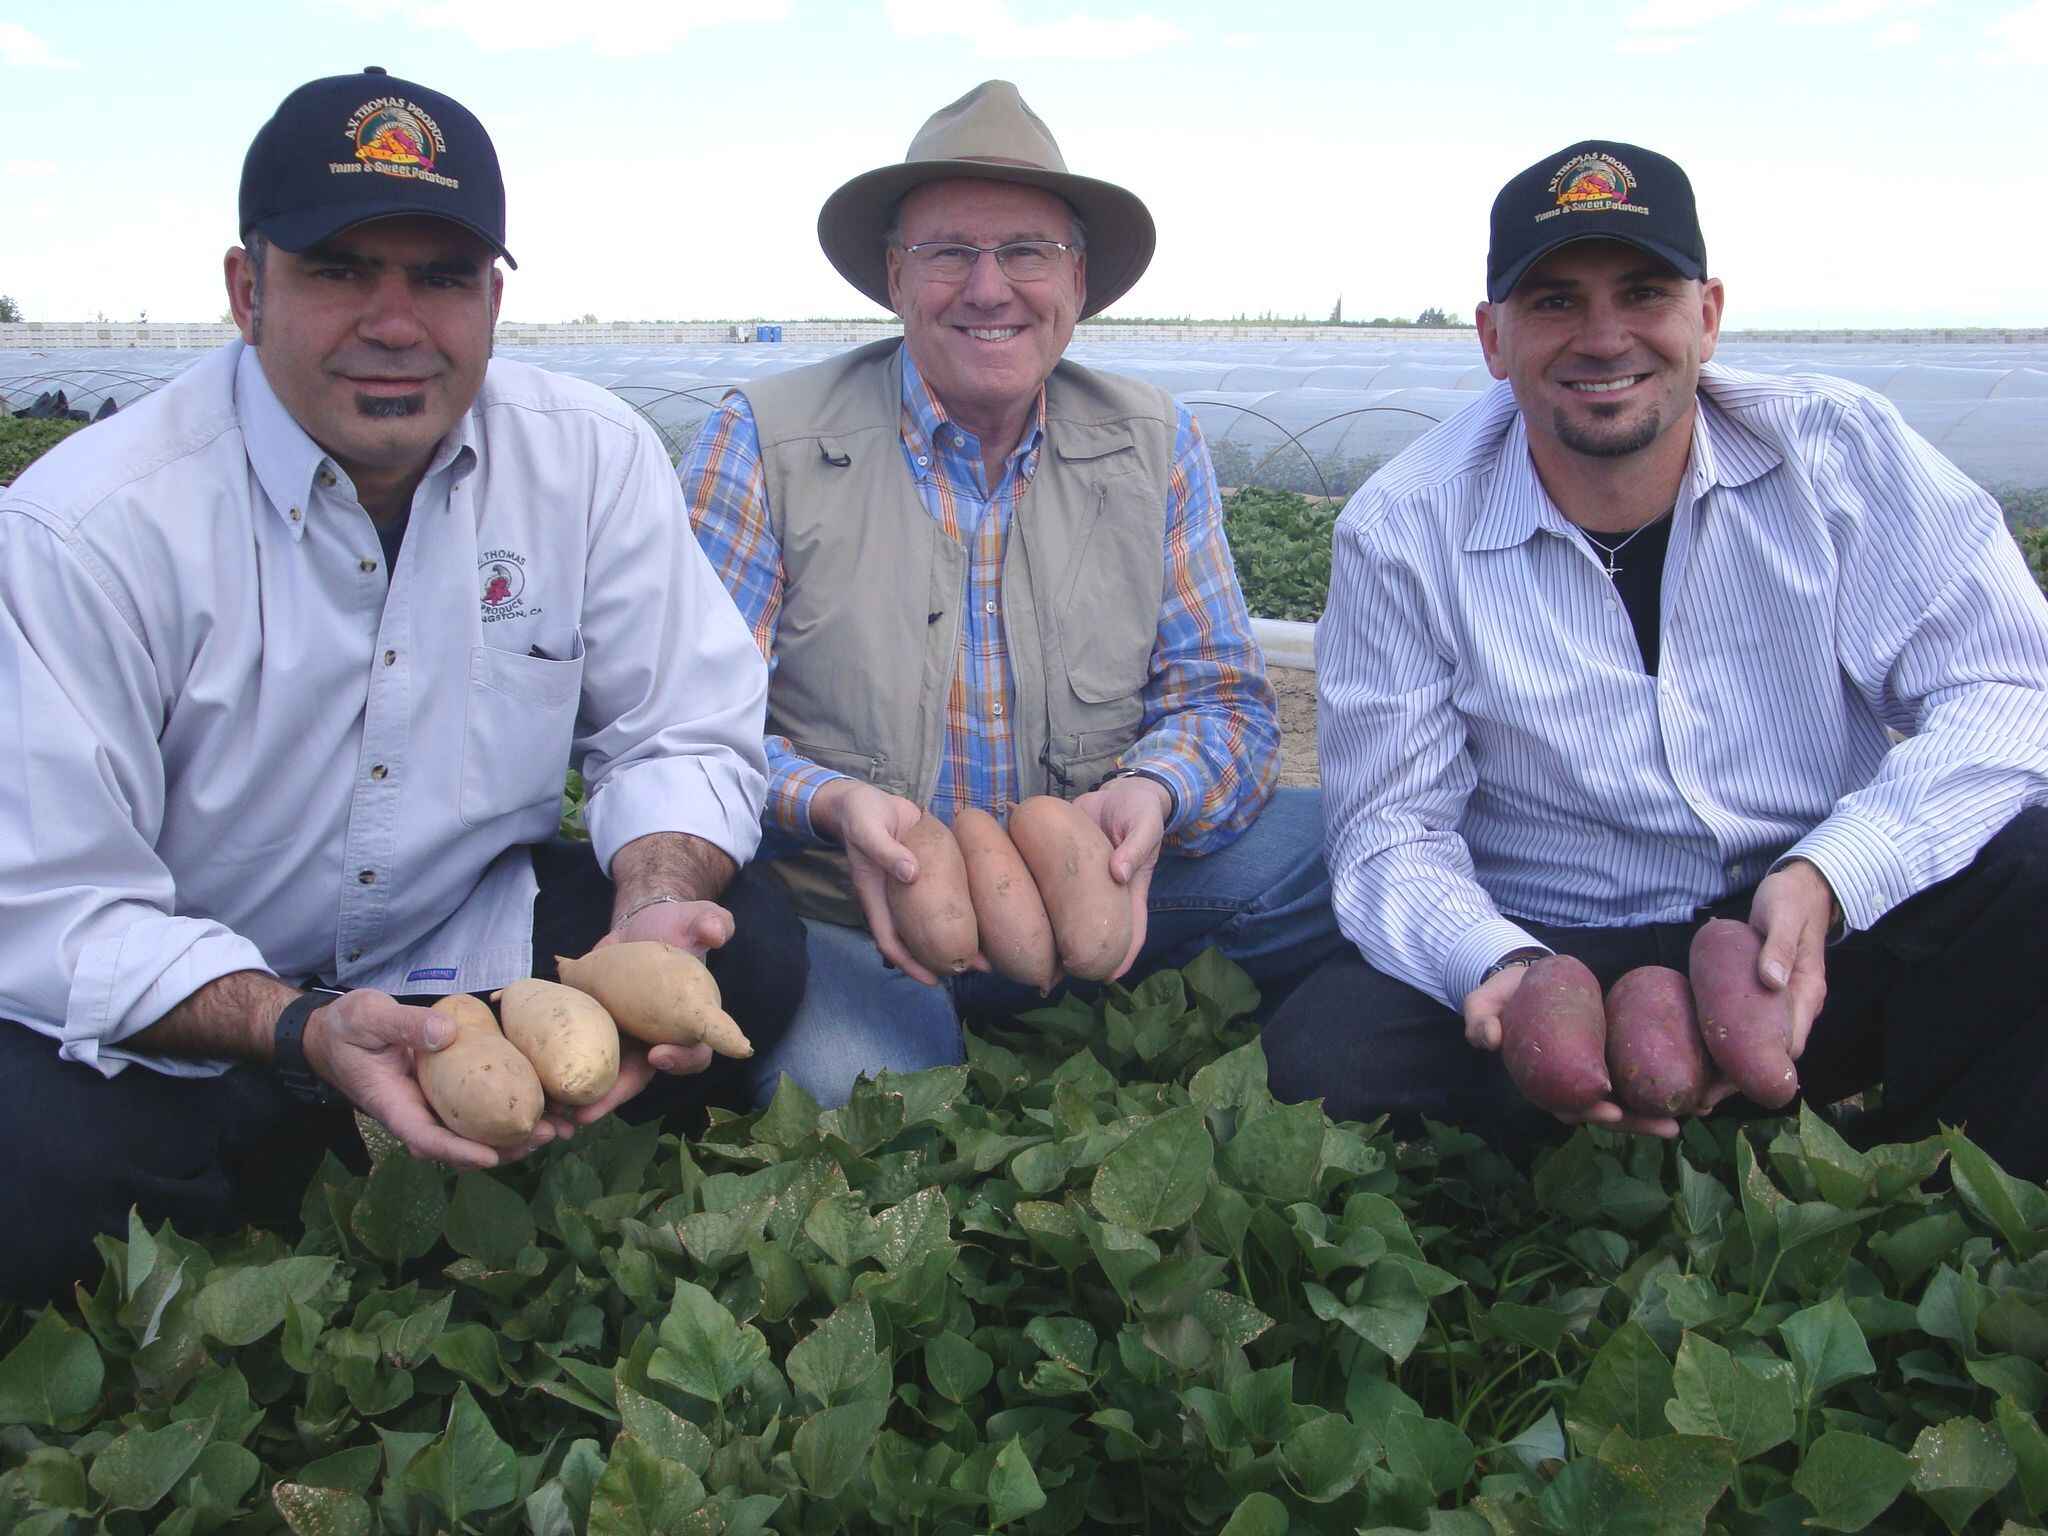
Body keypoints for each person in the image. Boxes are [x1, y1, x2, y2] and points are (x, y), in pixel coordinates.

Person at [0, 68, 806, 1304]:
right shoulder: (86, 529)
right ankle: (343, 1139)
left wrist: (651, 902)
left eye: (440, 276)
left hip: (451, 943)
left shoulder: (587, 458)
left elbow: (685, 728)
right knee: (26, 1163)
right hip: (201, 997)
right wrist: (295, 1026)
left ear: (492, 297)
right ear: (243, 288)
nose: (395, 322)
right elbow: (51, 908)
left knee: (741, 951)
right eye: (337, 269)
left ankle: (331, 1161)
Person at [1263, 140, 2048, 1179]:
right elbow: (1388, 831)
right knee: (1322, 1061)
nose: (1602, 338)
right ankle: (1659, 1114)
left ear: (1706, 316)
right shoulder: (1402, 527)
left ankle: (1942, 1179)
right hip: (1560, 938)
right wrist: (1505, 971)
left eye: (1642, 292)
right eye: (1552, 302)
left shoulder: (1837, 452)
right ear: (1491, 337)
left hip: (1810, 925)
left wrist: (1832, 871)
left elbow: (2004, 689)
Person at [683, 81, 1340, 1106]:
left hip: (1104, 884)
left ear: (1075, 281)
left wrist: (1156, 793)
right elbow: (691, 725)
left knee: (1353, 852)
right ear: (896, 277)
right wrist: (830, 806)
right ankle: (920, 1015)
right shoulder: (764, 442)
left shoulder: (1151, 443)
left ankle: (1072, 971)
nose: (989, 288)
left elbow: (1224, 698)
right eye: (949, 252)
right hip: (856, 910)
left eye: (1025, 252)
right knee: (856, 1106)